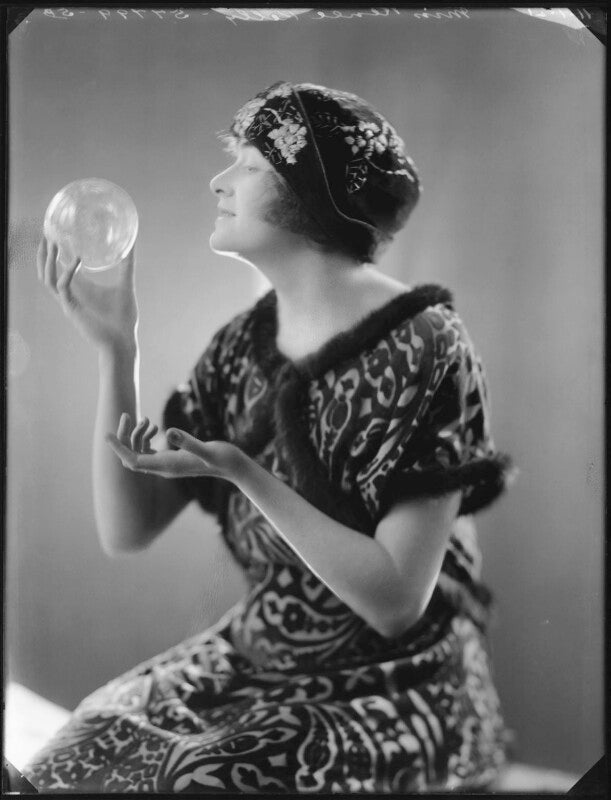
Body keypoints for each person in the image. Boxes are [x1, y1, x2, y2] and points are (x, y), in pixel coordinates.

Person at [25, 81, 514, 793]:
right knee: (77, 752)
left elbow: (393, 604)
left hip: (398, 681)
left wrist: (245, 474)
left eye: (249, 165)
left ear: (312, 194)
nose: (219, 182)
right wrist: (117, 351)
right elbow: (128, 528)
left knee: (200, 776)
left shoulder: (427, 345)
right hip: (260, 655)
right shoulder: (239, 346)